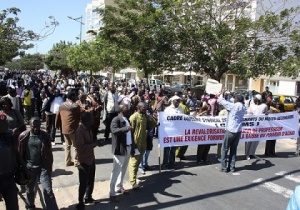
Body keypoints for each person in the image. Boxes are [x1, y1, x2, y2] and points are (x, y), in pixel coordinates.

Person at [18, 117, 59, 210]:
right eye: (33, 127)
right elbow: (20, 153)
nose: (36, 129)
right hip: (29, 168)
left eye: (38, 126)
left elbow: (48, 152)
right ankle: (30, 206)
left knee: (48, 190)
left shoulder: (45, 136)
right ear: (30, 126)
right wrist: (22, 167)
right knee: (30, 190)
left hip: (43, 167)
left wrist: (49, 165)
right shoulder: (23, 136)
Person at [75, 112, 101, 210]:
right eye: (91, 118)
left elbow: (90, 143)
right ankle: (80, 202)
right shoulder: (80, 131)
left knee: (91, 180)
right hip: (84, 160)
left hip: (91, 158)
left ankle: (88, 197)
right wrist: (94, 144)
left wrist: (97, 143)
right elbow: (81, 147)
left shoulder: (89, 128)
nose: (93, 119)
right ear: (86, 120)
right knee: (83, 183)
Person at [216, 92, 246, 173]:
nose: (234, 99)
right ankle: (232, 167)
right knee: (233, 149)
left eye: (235, 98)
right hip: (238, 130)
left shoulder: (234, 106)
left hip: (231, 130)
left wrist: (220, 95)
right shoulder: (243, 107)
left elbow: (223, 102)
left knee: (224, 149)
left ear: (237, 99)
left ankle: (224, 168)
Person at [129, 102, 157, 188]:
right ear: (138, 107)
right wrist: (132, 146)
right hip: (136, 143)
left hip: (143, 143)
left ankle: (135, 177)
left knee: (138, 162)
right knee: (133, 162)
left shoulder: (145, 116)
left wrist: (151, 117)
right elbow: (130, 132)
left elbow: (154, 124)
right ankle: (133, 182)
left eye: (146, 108)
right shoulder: (133, 117)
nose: (145, 109)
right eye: (143, 108)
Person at [109, 104, 133, 202]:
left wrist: (132, 147)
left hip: (128, 147)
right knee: (116, 170)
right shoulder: (116, 119)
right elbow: (114, 130)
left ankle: (119, 186)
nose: (128, 108)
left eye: (128, 107)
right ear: (120, 109)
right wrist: (126, 129)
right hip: (120, 149)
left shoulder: (127, 119)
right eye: (125, 107)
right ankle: (112, 192)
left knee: (123, 169)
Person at [56, 90, 81, 167]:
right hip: (73, 129)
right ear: (72, 97)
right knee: (76, 146)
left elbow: (57, 116)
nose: (77, 97)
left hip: (64, 129)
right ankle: (76, 161)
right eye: (76, 96)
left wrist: (56, 125)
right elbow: (79, 116)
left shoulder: (61, 105)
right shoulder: (75, 106)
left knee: (67, 146)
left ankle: (67, 161)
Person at [0, 113, 19, 210]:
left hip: (9, 178)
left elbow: (17, 153)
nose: (6, 124)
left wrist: (24, 169)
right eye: (3, 123)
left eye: (6, 122)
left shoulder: (10, 136)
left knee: (13, 206)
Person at [162, 96, 183, 169]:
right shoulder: (168, 109)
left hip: (176, 131)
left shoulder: (180, 109)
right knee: (167, 147)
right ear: (173, 101)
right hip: (168, 130)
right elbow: (164, 119)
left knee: (173, 148)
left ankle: (171, 162)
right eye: (176, 101)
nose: (178, 102)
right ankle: (165, 163)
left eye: (179, 101)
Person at [245, 94, 268, 160]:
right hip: (251, 126)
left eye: (255, 98)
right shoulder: (252, 106)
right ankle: (247, 154)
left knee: (256, 141)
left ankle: (252, 153)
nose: (253, 99)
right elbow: (248, 114)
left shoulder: (264, 106)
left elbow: (266, 114)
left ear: (258, 99)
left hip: (259, 126)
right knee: (249, 140)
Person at [175, 94, 190, 160]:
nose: (185, 99)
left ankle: (182, 154)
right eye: (184, 98)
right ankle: (177, 154)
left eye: (186, 98)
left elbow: (188, 115)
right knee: (179, 141)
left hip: (185, 126)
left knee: (186, 142)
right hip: (179, 126)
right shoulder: (179, 106)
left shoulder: (186, 106)